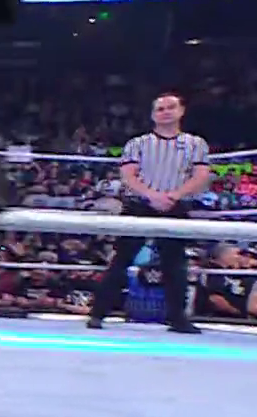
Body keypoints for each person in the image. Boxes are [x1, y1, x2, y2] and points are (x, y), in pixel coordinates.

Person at [88, 92, 209, 334]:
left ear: (181, 111)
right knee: (122, 259)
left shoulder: (196, 144)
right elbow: (128, 176)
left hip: (175, 205)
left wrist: (174, 196)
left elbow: (201, 176)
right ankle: (98, 313)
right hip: (139, 204)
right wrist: (152, 195)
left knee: (175, 263)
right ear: (153, 115)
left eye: (170, 107)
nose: (165, 112)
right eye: (160, 109)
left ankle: (177, 318)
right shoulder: (137, 143)